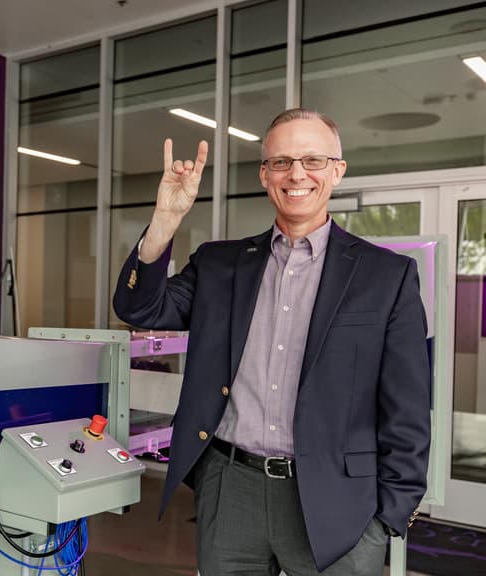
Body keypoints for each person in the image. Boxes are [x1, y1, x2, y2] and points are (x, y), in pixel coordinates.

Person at [113, 108, 431, 575]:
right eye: (281, 162)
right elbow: (140, 309)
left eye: (313, 160)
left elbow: (407, 404)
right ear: (265, 175)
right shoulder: (219, 265)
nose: (296, 173)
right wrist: (165, 221)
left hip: (337, 502)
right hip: (230, 487)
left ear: (337, 171)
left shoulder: (387, 276)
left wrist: (388, 517)